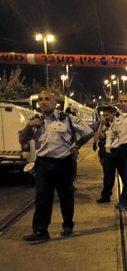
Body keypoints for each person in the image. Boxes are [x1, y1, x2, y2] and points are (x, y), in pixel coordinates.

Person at [18, 90, 94, 241]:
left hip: (64, 163)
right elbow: (22, 140)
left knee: (66, 196)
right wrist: (29, 126)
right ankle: (41, 231)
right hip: (43, 164)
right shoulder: (35, 120)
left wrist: (77, 146)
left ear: (55, 103)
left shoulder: (67, 118)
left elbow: (88, 132)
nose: (43, 102)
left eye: (47, 99)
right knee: (41, 198)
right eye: (41, 99)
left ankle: (67, 224)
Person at [94, 106, 118, 203]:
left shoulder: (119, 123)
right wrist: (101, 125)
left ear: (113, 114)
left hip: (119, 151)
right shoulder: (103, 125)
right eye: (103, 115)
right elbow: (97, 138)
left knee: (126, 174)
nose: (105, 117)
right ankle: (106, 196)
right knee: (108, 175)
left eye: (107, 115)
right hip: (107, 153)